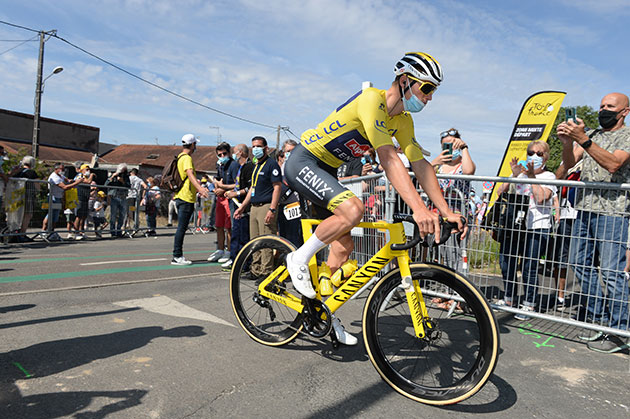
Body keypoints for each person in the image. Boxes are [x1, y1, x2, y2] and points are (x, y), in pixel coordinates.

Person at [281, 52, 466, 345]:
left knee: (343, 250)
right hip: (304, 161)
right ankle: (299, 257)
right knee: (353, 208)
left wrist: (444, 210)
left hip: (327, 169)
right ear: (406, 81)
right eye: (427, 88)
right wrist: (419, 208)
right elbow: (388, 157)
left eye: (434, 91)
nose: (430, 97)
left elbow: (420, 165)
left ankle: (319, 312)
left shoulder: (403, 121)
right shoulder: (372, 99)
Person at [558, 92, 630, 353]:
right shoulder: (594, 135)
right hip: (585, 209)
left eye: (610, 106)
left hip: (613, 211)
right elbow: (568, 164)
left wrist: (584, 139)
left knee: (611, 271)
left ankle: (620, 330)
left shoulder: (626, 136)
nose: (604, 110)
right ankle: (597, 317)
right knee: (578, 262)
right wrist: (568, 142)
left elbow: (613, 164)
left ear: (624, 111)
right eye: (601, 106)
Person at [496, 141, 557, 320]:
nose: (534, 156)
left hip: (537, 227)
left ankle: (529, 303)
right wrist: (514, 176)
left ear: (545, 156)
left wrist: (531, 177)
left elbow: (541, 198)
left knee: (529, 266)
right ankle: (509, 298)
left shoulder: (549, 176)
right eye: (531, 152)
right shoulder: (520, 174)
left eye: (539, 153)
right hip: (516, 226)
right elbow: (501, 192)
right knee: (507, 262)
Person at [233, 136, 282, 279]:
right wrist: (242, 207)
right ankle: (255, 269)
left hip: (266, 206)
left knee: (266, 241)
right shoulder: (256, 166)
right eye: (253, 146)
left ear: (266, 148)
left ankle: (266, 272)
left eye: (258, 146)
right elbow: (252, 188)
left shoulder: (271, 164)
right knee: (254, 241)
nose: (255, 149)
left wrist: (272, 209)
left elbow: (277, 187)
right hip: (254, 207)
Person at [431, 128, 476, 272]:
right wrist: (434, 162)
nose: (451, 148)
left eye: (454, 144)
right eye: (447, 145)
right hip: (441, 215)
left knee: (456, 253)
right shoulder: (438, 167)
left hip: (459, 214)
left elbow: (469, 171)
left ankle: (456, 291)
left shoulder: (463, 164)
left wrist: (464, 148)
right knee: (442, 254)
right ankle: (445, 290)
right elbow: (422, 180)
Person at [171, 134, 210, 265]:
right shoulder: (187, 158)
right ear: (192, 145)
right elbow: (190, 174)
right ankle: (177, 256)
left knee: (181, 227)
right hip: (185, 196)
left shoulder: (180, 157)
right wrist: (200, 188)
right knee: (182, 228)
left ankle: (177, 255)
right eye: (195, 144)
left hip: (181, 195)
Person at [221, 144, 254, 270]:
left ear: (240, 153)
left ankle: (244, 264)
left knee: (243, 238)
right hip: (237, 205)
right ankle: (234, 261)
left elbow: (250, 188)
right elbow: (238, 186)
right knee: (236, 235)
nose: (233, 155)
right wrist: (231, 192)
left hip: (244, 207)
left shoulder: (249, 167)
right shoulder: (241, 167)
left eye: (234, 152)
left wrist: (237, 193)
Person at [207, 142, 234, 263]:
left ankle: (229, 250)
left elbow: (237, 184)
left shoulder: (234, 165)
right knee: (219, 225)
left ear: (229, 153)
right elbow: (217, 179)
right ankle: (220, 249)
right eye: (219, 154)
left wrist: (223, 187)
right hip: (220, 198)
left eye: (224, 153)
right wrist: (216, 185)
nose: (222, 156)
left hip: (229, 198)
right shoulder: (219, 165)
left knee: (229, 227)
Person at [41, 163, 83, 239]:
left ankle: (51, 231)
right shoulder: (54, 177)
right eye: (61, 169)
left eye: (64, 169)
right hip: (52, 198)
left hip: (58, 197)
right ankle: (44, 231)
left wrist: (72, 180)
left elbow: (67, 179)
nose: (63, 171)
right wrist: (77, 183)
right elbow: (64, 187)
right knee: (50, 215)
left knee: (55, 216)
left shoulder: (60, 176)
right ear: (56, 169)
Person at [276, 140, 304, 248]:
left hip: (295, 205)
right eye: (287, 151)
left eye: (293, 151)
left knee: (294, 235)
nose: (290, 153)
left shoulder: (300, 165)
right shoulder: (282, 166)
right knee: (283, 236)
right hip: (282, 205)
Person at [9, 156, 39, 240]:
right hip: (28, 195)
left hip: (15, 195)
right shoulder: (32, 172)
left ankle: (13, 231)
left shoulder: (17, 172)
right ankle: (22, 233)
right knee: (27, 214)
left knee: (15, 213)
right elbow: (38, 186)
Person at [105, 163, 130, 238]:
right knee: (113, 214)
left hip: (123, 197)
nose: (122, 172)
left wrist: (123, 181)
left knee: (122, 214)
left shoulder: (126, 177)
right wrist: (112, 177)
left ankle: (119, 230)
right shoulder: (113, 175)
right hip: (114, 197)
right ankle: (112, 231)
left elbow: (129, 186)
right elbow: (106, 184)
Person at [73, 164, 95, 240]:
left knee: (84, 216)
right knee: (79, 216)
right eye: (86, 169)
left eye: (89, 169)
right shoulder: (79, 176)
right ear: (82, 170)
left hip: (86, 197)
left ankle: (82, 232)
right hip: (79, 197)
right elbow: (88, 182)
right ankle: (76, 232)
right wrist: (91, 175)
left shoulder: (86, 177)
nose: (88, 171)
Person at [126, 168, 147, 232]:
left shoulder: (128, 178)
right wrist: (143, 195)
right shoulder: (139, 179)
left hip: (129, 196)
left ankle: (130, 224)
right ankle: (133, 224)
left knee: (128, 211)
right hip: (136, 197)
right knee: (133, 211)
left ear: (131, 173)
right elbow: (145, 186)